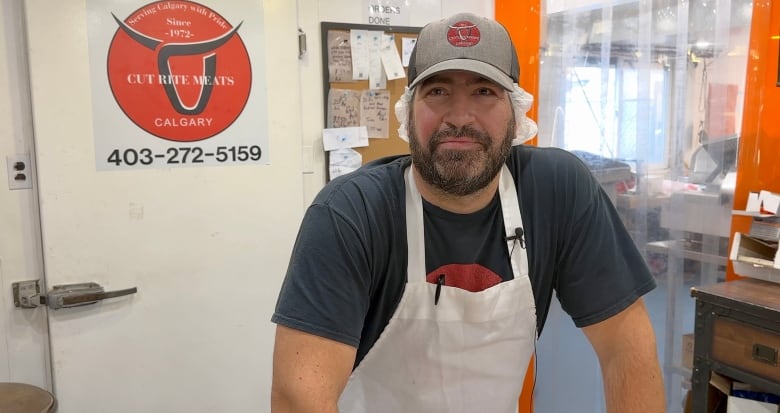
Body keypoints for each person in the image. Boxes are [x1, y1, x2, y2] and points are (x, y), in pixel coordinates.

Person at [271, 12, 665, 413]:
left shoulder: (556, 190)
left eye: (484, 92)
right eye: (438, 91)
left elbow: (626, 346)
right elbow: (299, 397)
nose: (459, 117)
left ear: (516, 115)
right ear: (408, 112)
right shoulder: (351, 214)